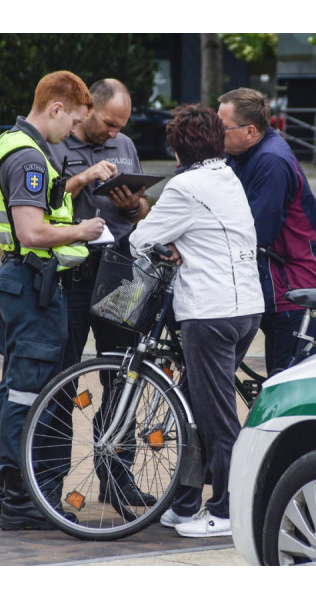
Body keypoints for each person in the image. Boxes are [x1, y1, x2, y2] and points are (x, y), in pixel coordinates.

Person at [0, 70, 118, 530]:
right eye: (73, 121)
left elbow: (45, 201)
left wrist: (78, 182)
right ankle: (22, 502)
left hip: (20, 282)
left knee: (16, 390)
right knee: (26, 394)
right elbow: (31, 230)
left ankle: (8, 497)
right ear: (57, 108)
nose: (70, 133)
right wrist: (82, 231)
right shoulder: (28, 157)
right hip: (32, 283)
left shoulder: (14, 144)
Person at [129, 104, 263, 538]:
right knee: (191, 406)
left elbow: (140, 239)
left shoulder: (185, 187)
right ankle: (185, 502)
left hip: (209, 313)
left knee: (215, 417)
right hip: (245, 310)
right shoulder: (229, 178)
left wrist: (165, 244)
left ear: (176, 148)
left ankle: (227, 510)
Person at [47, 78, 154, 507]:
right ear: (87, 108)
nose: (114, 134)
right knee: (62, 377)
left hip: (123, 271)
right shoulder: (55, 141)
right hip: (74, 273)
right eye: (109, 124)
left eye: (120, 126)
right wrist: (84, 177)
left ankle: (117, 476)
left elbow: (144, 209)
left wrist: (134, 206)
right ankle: (51, 482)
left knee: (124, 374)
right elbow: (45, 200)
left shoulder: (124, 143)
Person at [217, 88, 316, 376]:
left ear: (250, 131)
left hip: (295, 285)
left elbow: (257, 231)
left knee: (287, 386)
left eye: (222, 127)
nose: (215, 133)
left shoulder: (271, 160)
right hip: (272, 282)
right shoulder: (243, 154)